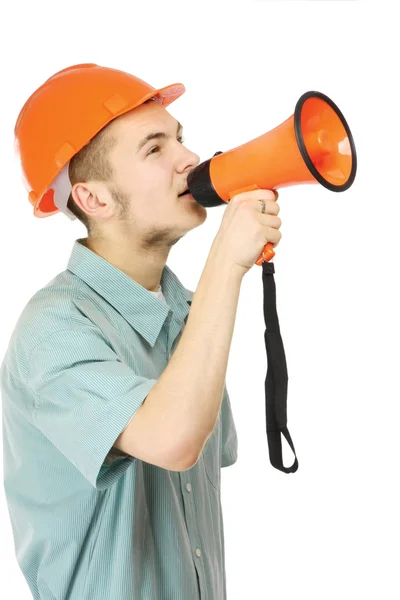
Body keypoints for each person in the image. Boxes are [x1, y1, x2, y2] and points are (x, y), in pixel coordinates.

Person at [1, 63, 282, 600]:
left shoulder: (185, 313)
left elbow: (205, 450)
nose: (189, 159)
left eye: (180, 138)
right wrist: (226, 262)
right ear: (95, 200)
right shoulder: (52, 329)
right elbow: (173, 440)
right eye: (155, 149)